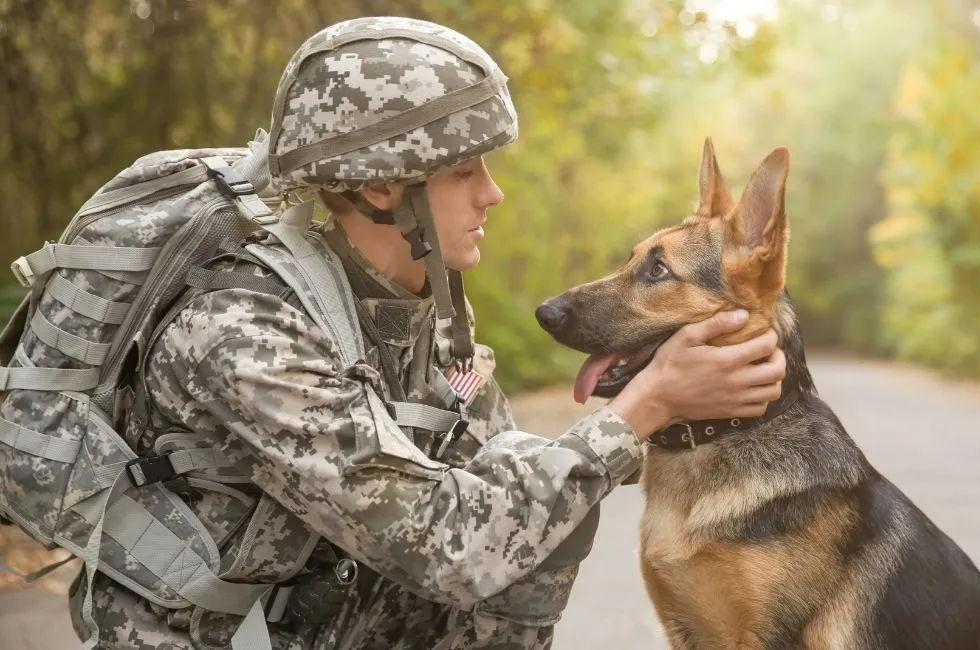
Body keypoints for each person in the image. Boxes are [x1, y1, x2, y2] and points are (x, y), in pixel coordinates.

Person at [68, 16, 786, 650]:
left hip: (330, 620)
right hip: (231, 636)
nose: (492, 192)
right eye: (463, 171)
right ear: (385, 190)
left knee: (546, 519)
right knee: (519, 526)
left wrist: (694, 407)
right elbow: (449, 543)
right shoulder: (244, 334)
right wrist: (647, 406)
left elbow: (497, 461)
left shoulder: (417, 310)